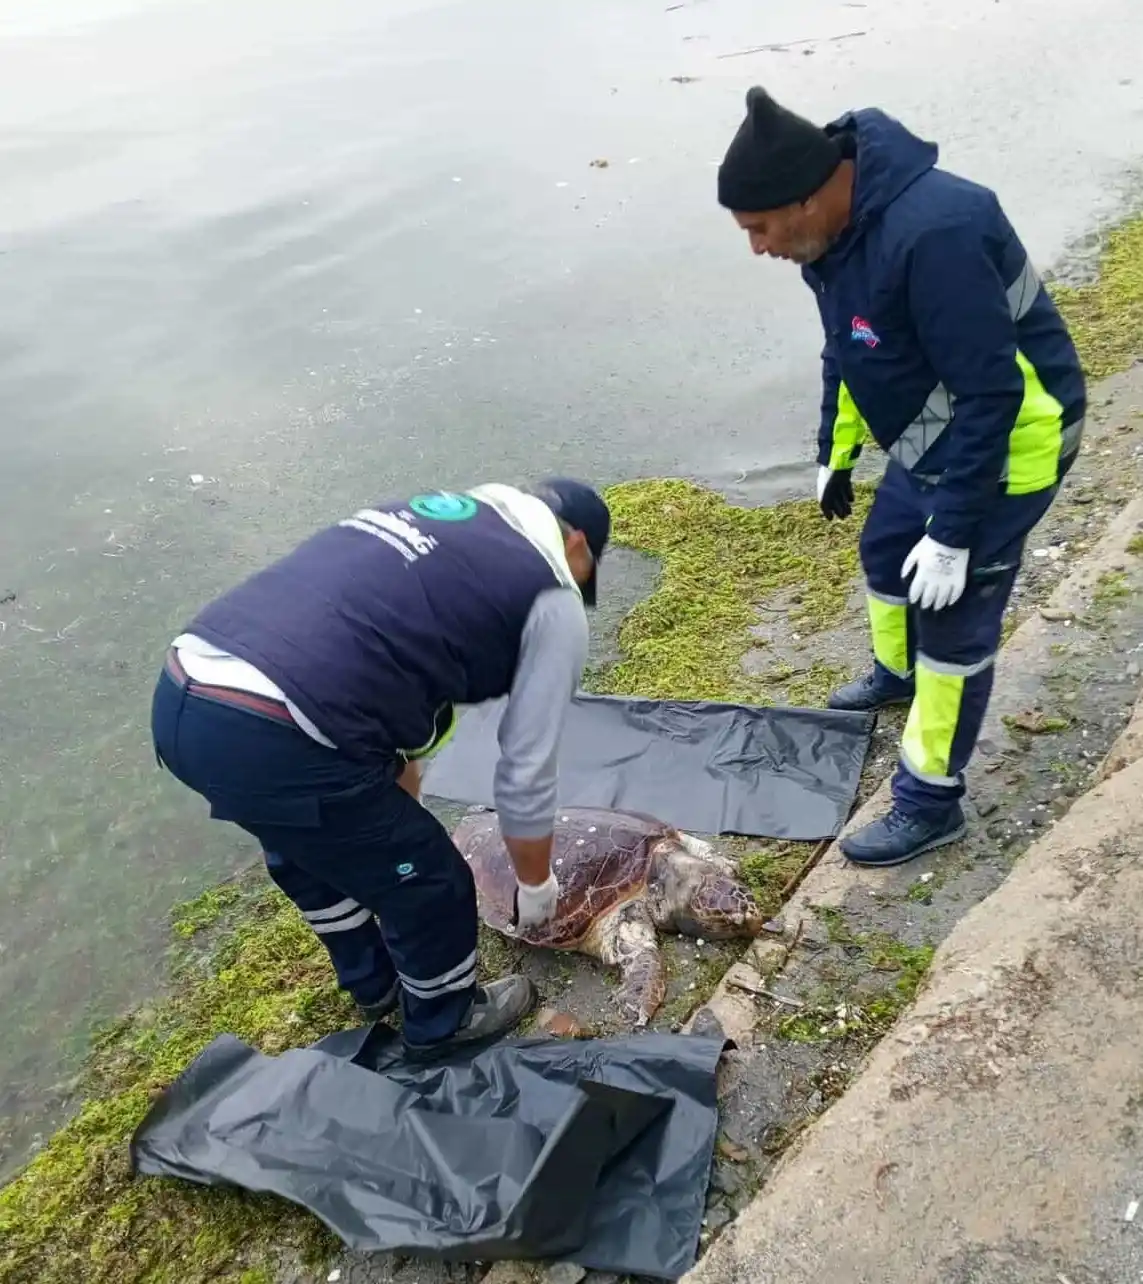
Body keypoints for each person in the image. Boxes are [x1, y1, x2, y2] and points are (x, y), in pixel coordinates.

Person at [717, 87, 1086, 867]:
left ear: (808, 199)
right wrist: (834, 452)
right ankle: (893, 673)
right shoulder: (833, 241)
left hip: (1013, 441)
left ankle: (928, 801)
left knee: (951, 627)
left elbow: (994, 393)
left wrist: (954, 534)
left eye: (758, 229)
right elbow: (849, 348)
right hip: (935, 440)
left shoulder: (936, 233)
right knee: (886, 553)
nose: (755, 249)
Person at [151, 478, 610, 1058]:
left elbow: (400, 746)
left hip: (185, 695)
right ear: (577, 546)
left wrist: (389, 833)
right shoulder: (552, 598)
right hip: (277, 726)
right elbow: (528, 768)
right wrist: (536, 883)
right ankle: (443, 1020)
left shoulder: (437, 531)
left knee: (310, 844)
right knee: (430, 879)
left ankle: (373, 984)